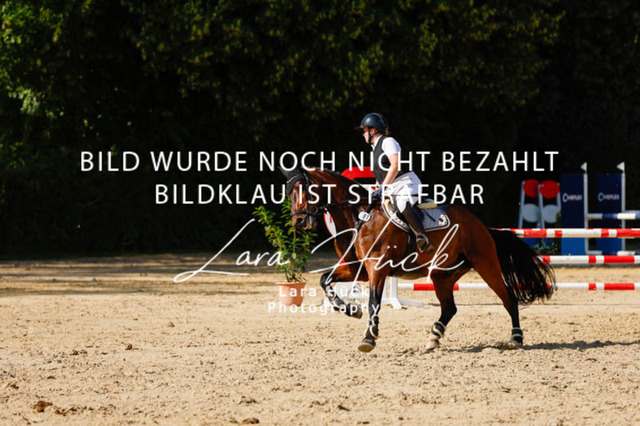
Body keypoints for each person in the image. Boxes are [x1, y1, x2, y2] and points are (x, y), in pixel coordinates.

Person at [356, 112, 434, 254]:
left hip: (406, 183)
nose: (363, 134)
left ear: (372, 131)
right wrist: (375, 190)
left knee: (402, 204)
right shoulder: (374, 151)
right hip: (391, 188)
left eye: (364, 130)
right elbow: (380, 176)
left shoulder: (388, 142)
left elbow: (395, 165)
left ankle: (422, 237)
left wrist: (383, 187)